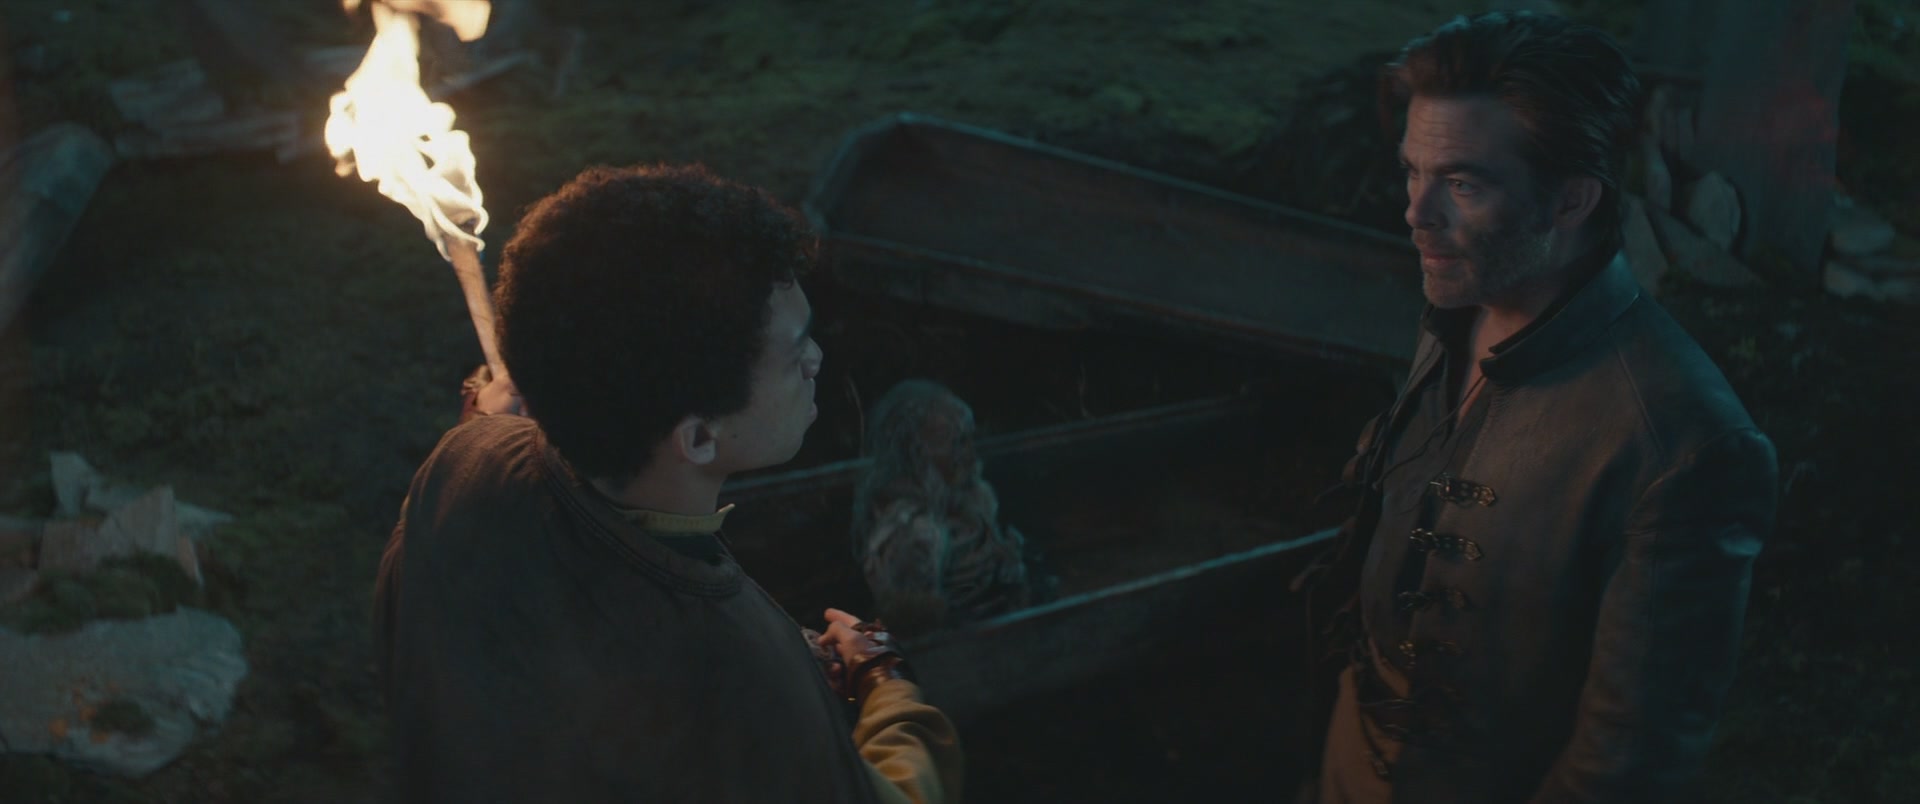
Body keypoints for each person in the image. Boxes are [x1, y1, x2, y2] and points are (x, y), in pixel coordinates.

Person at [1290, 11, 1778, 803]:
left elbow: (1624, 763)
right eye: (1413, 172)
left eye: (1462, 184)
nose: (1416, 213)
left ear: (1571, 200)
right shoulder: (1457, 310)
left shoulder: (1686, 442)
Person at [374, 164, 963, 803]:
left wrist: (486, 426)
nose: (816, 359)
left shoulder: (461, 467)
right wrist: (887, 685)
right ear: (700, 438)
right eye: (796, 352)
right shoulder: (744, 675)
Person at [851, 380, 1049, 637]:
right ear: (915, 451)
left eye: (969, 439)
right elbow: (917, 629)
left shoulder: (972, 499)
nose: (970, 453)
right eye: (957, 442)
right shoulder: (911, 530)